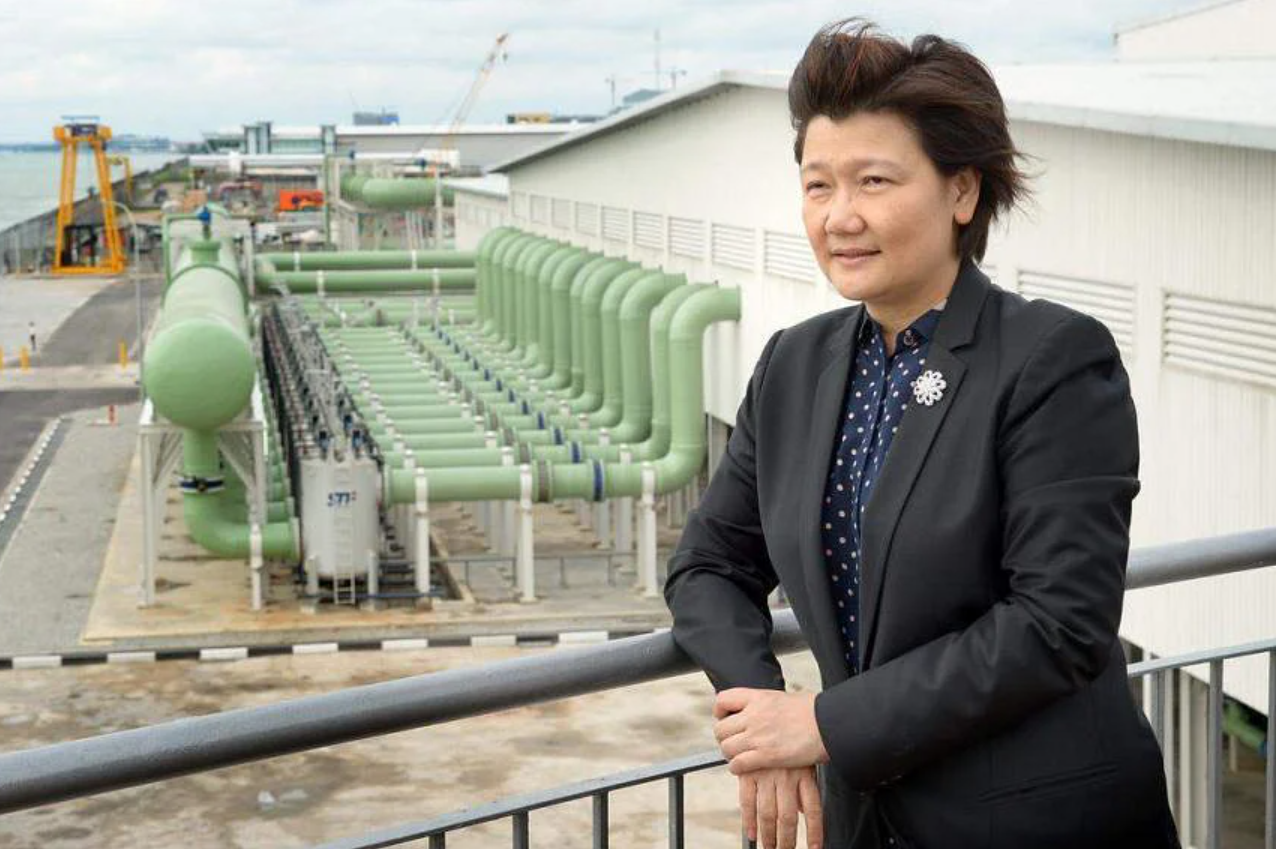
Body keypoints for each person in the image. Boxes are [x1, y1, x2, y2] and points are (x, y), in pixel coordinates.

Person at [664, 20, 1179, 849]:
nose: (841, 216)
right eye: (818, 185)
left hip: (1035, 820)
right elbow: (708, 563)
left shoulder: (1052, 358)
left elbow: (1058, 622)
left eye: (873, 180)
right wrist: (763, 713)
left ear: (962, 192)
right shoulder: (793, 365)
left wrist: (824, 723)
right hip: (867, 822)